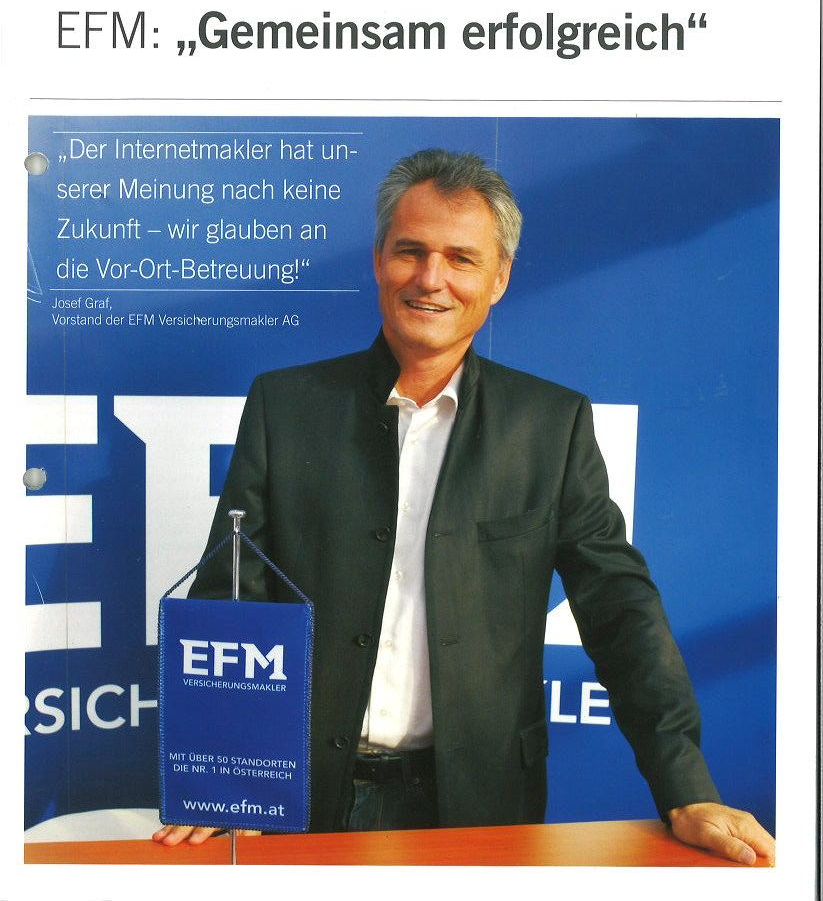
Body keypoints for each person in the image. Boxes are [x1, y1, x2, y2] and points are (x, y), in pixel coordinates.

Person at [154, 149, 775, 864]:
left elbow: (619, 610)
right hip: (299, 802)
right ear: (378, 259)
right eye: (410, 251)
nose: (431, 279)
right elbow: (232, 597)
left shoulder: (551, 426)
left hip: (481, 805)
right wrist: (225, 781)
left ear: (498, 278)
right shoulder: (285, 406)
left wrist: (686, 789)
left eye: (461, 259)